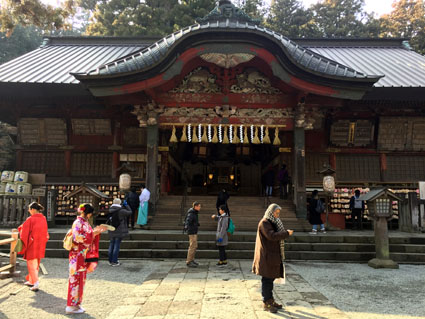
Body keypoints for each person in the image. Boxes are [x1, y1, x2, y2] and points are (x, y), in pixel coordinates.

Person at [252, 203, 293, 313]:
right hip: (266, 256)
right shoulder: (265, 223)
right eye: (276, 213)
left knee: (270, 279)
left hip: (271, 255)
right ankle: (267, 302)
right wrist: (286, 233)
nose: (277, 215)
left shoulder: (272, 222)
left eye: (279, 213)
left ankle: (270, 300)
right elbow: (272, 236)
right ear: (271, 212)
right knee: (267, 280)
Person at [66, 203, 106, 315]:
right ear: (88, 213)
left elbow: (88, 235)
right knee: (75, 279)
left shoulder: (84, 223)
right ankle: (70, 305)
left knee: (81, 279)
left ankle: (77, 304)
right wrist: (93, 233)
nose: (90, 216)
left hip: (82, 254)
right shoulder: (78, 222)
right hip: (76, 255)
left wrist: (95, 233)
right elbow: (77, 237)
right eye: (90, 214)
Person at [17, 202, 49, 292]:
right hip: (40, 243)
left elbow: (24, 232)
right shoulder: (43, 218)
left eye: (29, 209)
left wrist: (20, 228)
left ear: (33, 210)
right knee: (36, 263)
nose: (29, 211)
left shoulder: (30, 219)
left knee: (31, 264)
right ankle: (31, 280)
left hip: (31, 244)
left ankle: (35, 283)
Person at [108, 198, 132, 266]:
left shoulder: (110, 210)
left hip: (112, 229)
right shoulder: (121, 211)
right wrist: (126, 205)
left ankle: (110, 260)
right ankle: (114, 261)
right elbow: (130, 212)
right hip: (119, 229)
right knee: (116, 245)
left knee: (111, 244)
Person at [184, 201, 201, 268]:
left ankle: (192, 259)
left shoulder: (194, 213)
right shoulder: (191, 213)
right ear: (195, 206)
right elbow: (188, 221)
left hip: (194, 231)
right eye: (199, 206)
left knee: (195, 246)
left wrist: (196, 224)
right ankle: (189, 261)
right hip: (192, 232)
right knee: (192, 246)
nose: (200, 207)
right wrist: (187, 227)